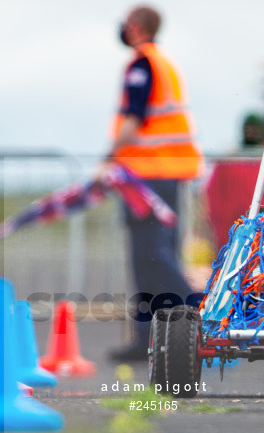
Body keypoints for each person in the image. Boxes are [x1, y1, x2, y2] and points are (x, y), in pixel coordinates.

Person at [101, 5, 204, 361]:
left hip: (149, 175)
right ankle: (150, 337)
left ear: (137, 26)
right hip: (167, 174)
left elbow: (134, 119)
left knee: (151, 255)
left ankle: (198, 312)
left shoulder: (143, 64)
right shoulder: (163, 62)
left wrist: (109, 157)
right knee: (153, 256)